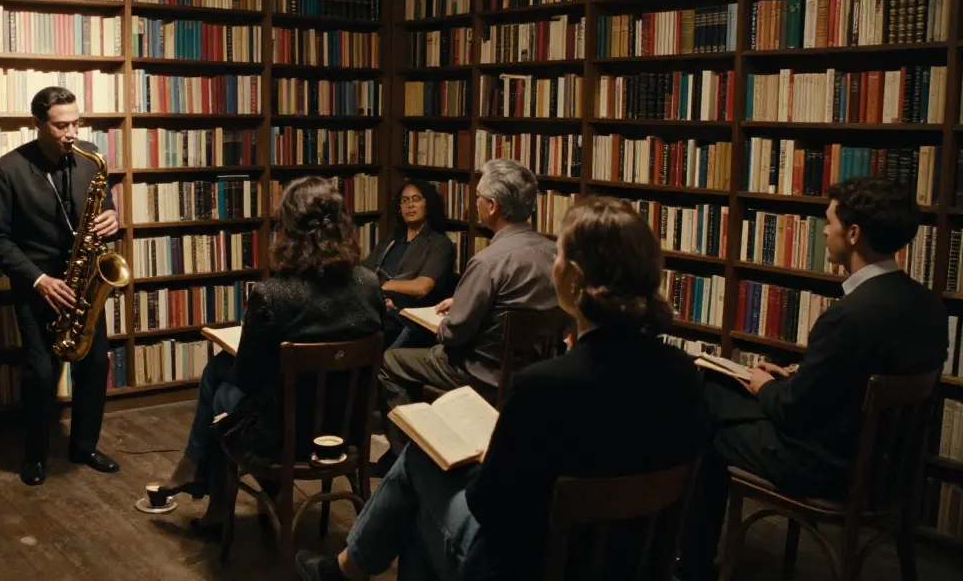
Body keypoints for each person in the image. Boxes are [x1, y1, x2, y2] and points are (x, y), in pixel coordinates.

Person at [295, 196, 709, 581]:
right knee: (418, 500)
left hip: (527, 567)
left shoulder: (546, 388)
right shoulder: (684, 376)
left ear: (571, 280)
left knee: (420, 468)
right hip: (632, 565)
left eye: (559, 253)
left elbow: (489, 505)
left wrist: (487, 456)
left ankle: (348, 568)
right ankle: (347, 567)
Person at [677, 176, 949, 581]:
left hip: (825, 467)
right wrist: (793, 376)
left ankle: (692, 562)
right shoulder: (927, 304)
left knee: (709, 399)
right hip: (883, 469)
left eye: (829, 223)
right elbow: (855, 380)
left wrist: (765, 385)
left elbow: (793, 414)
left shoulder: (850, 315)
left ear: (853, 234)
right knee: (721, 393)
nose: (824, 232)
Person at [145, 176, 384, 534]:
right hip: (346, 432)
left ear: (287, 229)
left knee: (220, 385)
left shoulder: (271, 294)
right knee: (218, 371)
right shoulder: (369, 284)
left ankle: (214, 491)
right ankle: (213, 485)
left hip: (284, 437)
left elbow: (248, 379)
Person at [373, 158, 558, 470]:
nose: (476, 205)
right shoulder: (555, 253)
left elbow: (455, 335)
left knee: (389, 362)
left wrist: (446, 321)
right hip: (531, 369)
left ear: (493, 206)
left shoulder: (488, 261)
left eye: (478, 199)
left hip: (480, 372)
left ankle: (410, 460)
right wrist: (462, 300)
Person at [0, 86, 121, 486]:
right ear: (38, 124)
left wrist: (112, 217)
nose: (72, 132)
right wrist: (40, 280)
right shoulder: (9, 169)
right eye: (61, 125)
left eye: (76, 122)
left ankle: (84, 446)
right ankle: (36, 455)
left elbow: (104, 206)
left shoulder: (90, 158)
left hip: (83, 284)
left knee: (95, 365)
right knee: (41, 374)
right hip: (38, 285)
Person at [361, 179, 456, 348]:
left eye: (416, 199)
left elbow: (423, 286)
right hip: (377, 307)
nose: (409, 205)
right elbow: (365, 270)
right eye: (404, 201)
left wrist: (385, 286)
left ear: (428, 204)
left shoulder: (439, 244)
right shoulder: (391, 239)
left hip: (408, 318)